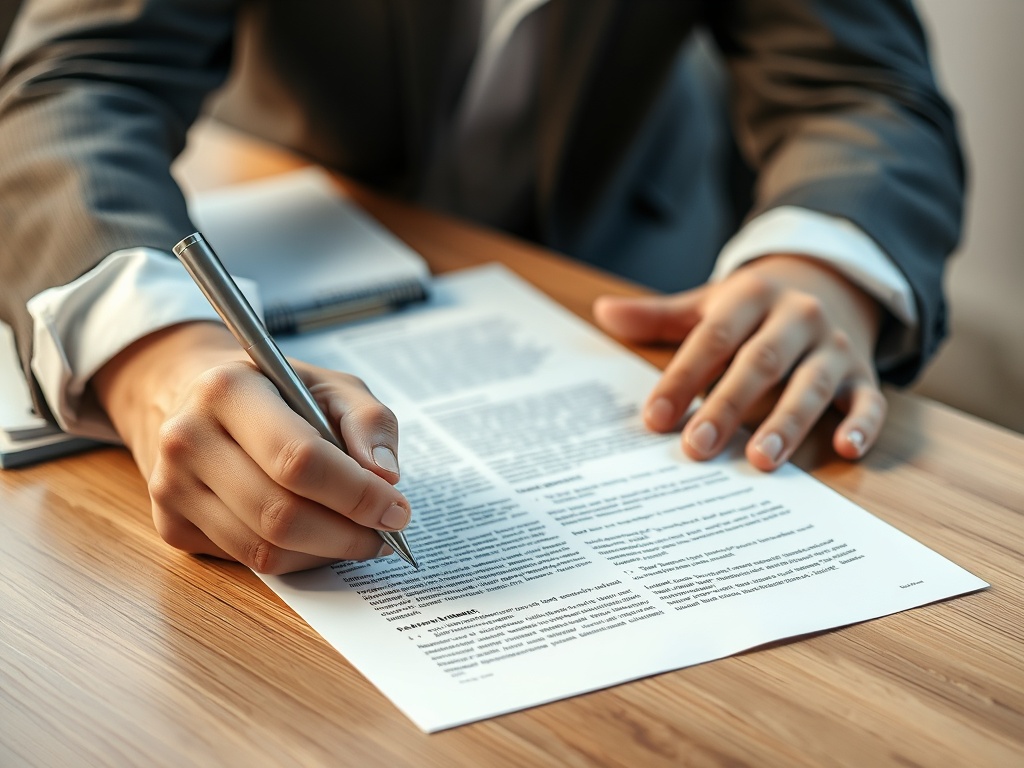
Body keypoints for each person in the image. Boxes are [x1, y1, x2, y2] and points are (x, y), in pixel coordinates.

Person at [0, 1, 964, 574]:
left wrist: (822, 262)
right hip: (321, 233)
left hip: (640, 272)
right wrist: (155, 358)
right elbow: (78, 85)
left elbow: (863, 89)